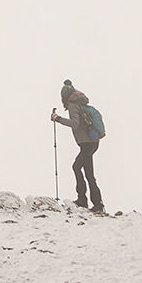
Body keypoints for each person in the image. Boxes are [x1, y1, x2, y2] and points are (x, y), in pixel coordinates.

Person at [51, 78, 103, 212]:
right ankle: (86, 200)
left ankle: (94, 204)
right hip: (92, 142)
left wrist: (58, 119)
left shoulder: (73, 105)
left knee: (87, 172)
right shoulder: (80, 104)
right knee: (79, 168)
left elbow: (75, 123)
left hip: (86, 143)